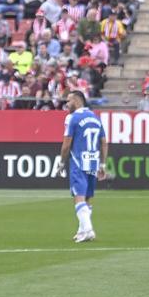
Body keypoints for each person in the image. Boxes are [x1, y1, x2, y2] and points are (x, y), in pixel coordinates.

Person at [59, 91, 106, 243]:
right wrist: (103, 163)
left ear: (77, 100)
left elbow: (66, 144)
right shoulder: (95, 118)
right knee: (87, 199)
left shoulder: (73, 118)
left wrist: (61, 162)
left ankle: (88, 230)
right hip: (92, 161)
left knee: (78, 198)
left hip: (78, 162)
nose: (66, 104)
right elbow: (104, 142)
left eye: (68, 101)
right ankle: (81, 231)